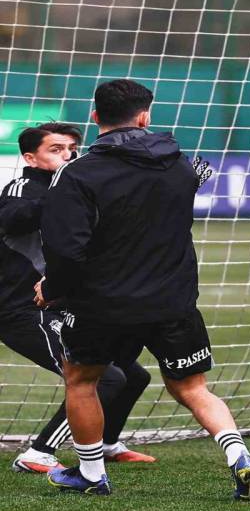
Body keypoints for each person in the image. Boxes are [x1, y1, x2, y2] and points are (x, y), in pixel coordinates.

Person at [36, 79, 250, 499]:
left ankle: (90, 475)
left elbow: (65, 248)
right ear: (144, 116)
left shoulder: (79, 171)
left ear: (94, 117)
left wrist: (52, 288)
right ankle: (239, 456)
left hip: (102, 303)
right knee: (193, 389)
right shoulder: (180, 164)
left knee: (83, 381)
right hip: (172, 300)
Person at [1, 123, 155, 473]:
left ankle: (108, 444)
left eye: (71, 148)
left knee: (133, 377)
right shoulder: (24, 187)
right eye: (55, 149)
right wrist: (60, 199)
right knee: (104, 377)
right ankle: (37, 454)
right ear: (30, 157)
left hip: (62, 308)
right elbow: (11, 217)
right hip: (21, 312)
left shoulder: (76, 190)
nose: (68, 154)